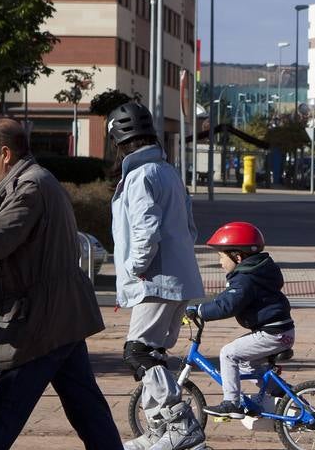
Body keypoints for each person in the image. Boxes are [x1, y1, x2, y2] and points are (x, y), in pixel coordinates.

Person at [0, 117, 145, 450]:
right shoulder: (32, 182)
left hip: (44, 322)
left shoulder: (29, 189)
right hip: (60, 317)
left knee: (3, 413)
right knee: (91, 416)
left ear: (5, 154)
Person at [106, 101, 204, 381]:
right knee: (155, 355)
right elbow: (190, 229)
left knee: (138, 353)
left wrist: (136, 268)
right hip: (180, 281)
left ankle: (174, 418)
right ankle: (161, 422)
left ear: (118, 140)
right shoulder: (168, 172)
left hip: (155, 282)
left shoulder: (140, 176)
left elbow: (146, 232)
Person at [186, 222, 295, 417]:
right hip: (279, 331)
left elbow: (229, 305)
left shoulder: (245, 279)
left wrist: (201, 311)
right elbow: (226, 298)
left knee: (228, 353)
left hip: (273, 334)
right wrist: (202, 306)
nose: (220, 262)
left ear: (237, 256)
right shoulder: (254, 273)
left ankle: (232, 403)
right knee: (246, 363)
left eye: (221, 256)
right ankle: (283, 393)